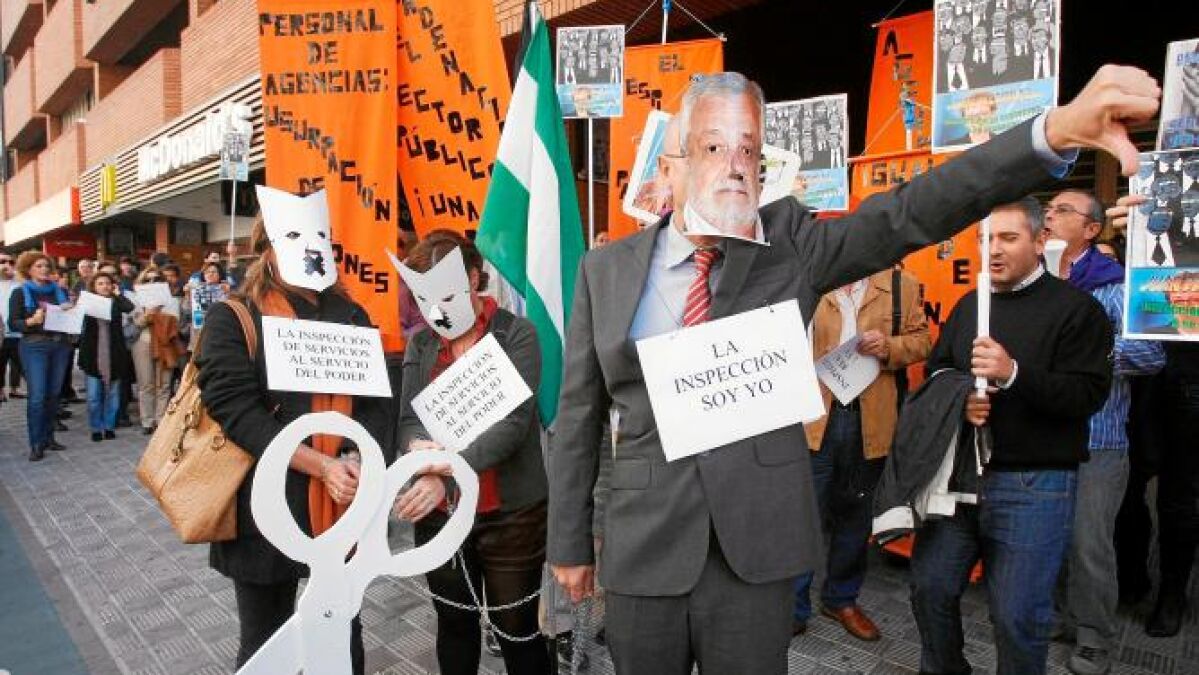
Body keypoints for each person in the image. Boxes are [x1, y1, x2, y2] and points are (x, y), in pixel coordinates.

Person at [548, 64, 1159, 675]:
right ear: (668, 168)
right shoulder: (605, 271)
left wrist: (1054, 132)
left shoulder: (790, 246)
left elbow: (912, 210)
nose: (734, 165)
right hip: (646, 546)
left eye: (749, 150)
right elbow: (578, 415)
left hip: (754, 554)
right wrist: (569, 541)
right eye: (712, 147)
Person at [910, 198, 1112, 675]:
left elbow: (1087, 395)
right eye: (986, 239)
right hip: (959, 478)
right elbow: (939, 369)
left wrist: (1013, 373)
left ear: (1041, 241)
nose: (993, 250)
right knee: (930, 588)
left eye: (1008, 238)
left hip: (1034, 484)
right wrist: (961, 397)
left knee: (1017, 616)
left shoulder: (1077, 311)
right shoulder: (969, 305)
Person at [196, 189, 390, 672]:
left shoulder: (351, 314)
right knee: (268, 642)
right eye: (296, 236)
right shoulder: (235, 317)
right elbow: (234, 410)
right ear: (267, 249)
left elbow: (376, 399)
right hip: (266, 506)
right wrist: (318, 465)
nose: (310, 247)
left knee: (341, 630)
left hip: (341, 503)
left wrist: (356, 458)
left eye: (321, 237)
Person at [394, 230, 551, 675]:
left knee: (516, 628)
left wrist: (446, 472)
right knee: (454, 623)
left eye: (446, 295)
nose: (436, 310)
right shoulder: (422, 343)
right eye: (424, 299)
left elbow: (514, 424)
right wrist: (416, 449)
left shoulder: (516, 334)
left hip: (510, 515)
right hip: (440, 514)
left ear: (474, 278)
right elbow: (408, 420)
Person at [1043, 189, 1166, 675]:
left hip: (1099, 439)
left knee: (1089, 544)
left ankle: (1095, 637)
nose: (1049, 217)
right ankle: (1060, 616)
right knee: (1049, 536)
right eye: (1047, 210)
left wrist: (1090, 352)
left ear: (1092, 230)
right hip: (1042, 435)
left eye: (1062, 211)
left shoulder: (1116, 287)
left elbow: (1152, 355)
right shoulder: (1033, 283)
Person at [792, 267, 931, 640]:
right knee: (803, 514)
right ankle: (792, 605)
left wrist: (890, 347)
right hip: (813, 417)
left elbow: (922, 341)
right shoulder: (808, 279)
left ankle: (841, 598)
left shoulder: (901, 285)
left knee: (856, 514)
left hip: (871, 419)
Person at [8, 251, 74, 461]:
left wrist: (72, 310)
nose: (44, 269)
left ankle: (48, 437)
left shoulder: (59, 291)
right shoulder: (20, 292)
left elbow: (69, 318)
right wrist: (31, 321)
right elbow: (13, 323)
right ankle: (36, 443)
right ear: (28, 270)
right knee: (37, 396)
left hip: (59, 345)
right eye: (38, 266)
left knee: (54, 395)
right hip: (34, 346)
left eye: (46, 266)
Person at [77, 271, 135, 442]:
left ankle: (109, 426)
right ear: (94, 287)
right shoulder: (88, 302)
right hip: (92, 354)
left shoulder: (116, 302)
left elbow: (129, 307)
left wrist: (117, 294)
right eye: (100, 283)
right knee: (94, 396)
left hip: (115, 354)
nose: (104, 286)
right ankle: (96, 427)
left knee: (113, 395)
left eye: (108, 283)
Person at [129, 267, 181, 435]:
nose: (152, 282)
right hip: (143, 343)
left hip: (165, 344)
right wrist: (147, 315)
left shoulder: (171, 300)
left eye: (157, 279)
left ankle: (161, 420)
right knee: (146, 384)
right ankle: (147, 421)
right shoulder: (136, 299)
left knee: (164, 384)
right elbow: (135, 324)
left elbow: (177, 323)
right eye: (148, 279)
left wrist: (162, 315)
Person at [0, 252, 25, 400]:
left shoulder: (19, 282)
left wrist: (15, 273)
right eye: (3, 262)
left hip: (18, 331)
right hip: (1, 332)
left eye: (11, 262)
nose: (7, 265)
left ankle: (15, 388)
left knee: (21, 364)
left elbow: (29, 284)